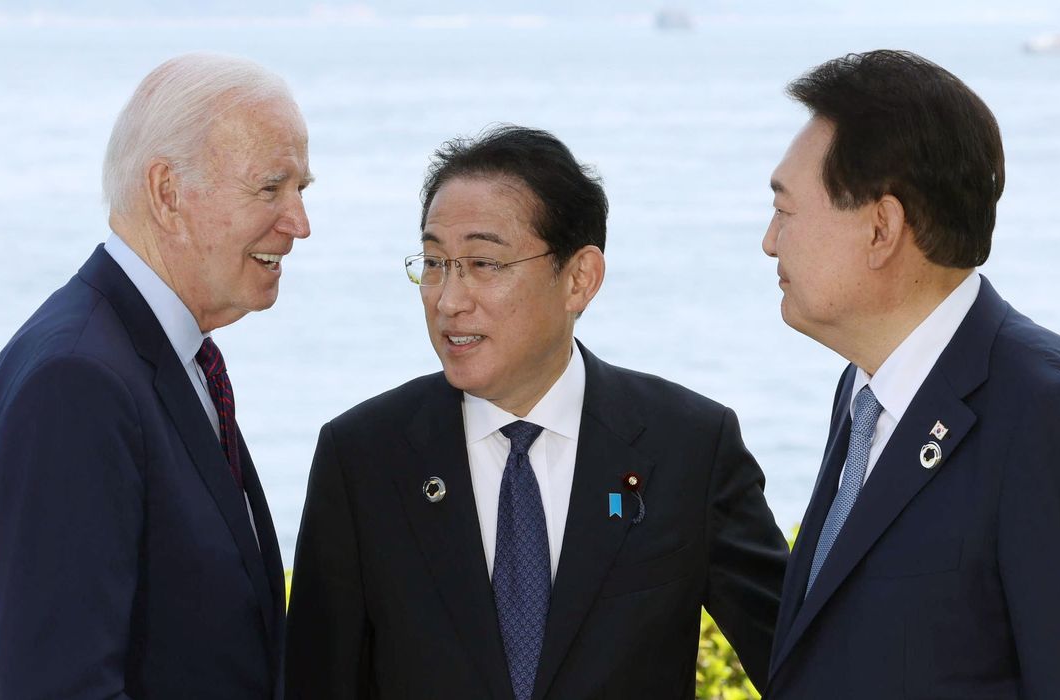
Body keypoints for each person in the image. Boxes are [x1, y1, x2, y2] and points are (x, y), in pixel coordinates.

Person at [285, 125, 787, 698]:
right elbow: (316, 679)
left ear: (579, 279)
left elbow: (798, 660)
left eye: (483, 264)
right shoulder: (363, 457)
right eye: (433, 263)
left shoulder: (689, 446)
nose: (449, 300)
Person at [762, 50, 1060, 698]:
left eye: (785, 210)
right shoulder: (865, 391)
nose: (769, 241)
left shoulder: (1047, 411)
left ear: (880, 229)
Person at [0, 52, 312, 698]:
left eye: (301, 191)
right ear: (167, 192)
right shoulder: (74, 384)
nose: (299, 225)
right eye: (270, 188)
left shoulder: (157, 358)